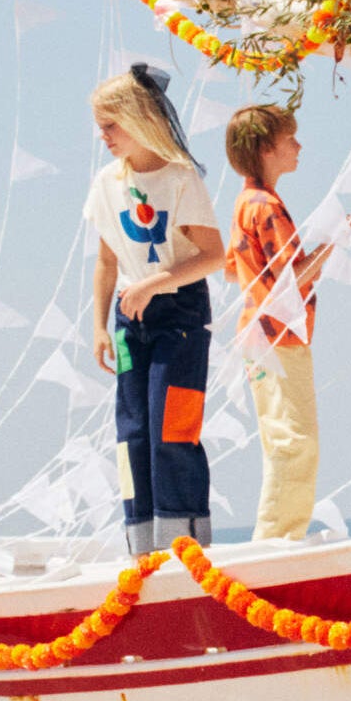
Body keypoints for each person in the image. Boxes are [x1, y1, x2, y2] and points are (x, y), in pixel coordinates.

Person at [86, 65, 226, 555]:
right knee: (133, 434)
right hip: (130, 317)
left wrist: (155, 284)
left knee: (173, 426)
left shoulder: (180, 177)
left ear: (138, 119)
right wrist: (100, 326)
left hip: (180, 315)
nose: (102, 136)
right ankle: (141, 547)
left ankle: (185, 544)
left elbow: (214, 255)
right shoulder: (106, 182)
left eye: (110, 125)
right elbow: (106, 260)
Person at [223, 103, 339, 541]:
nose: (298, 145)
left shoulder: (244, 202)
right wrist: (334, 242)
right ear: (268, 148)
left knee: (282, 440)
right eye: (290, 139)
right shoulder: (267, 206)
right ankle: (277, 540)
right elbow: (292, 279)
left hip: (257, 334)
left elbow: (234, 269)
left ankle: (277, 536)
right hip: (278, 335)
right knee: (296, 443)